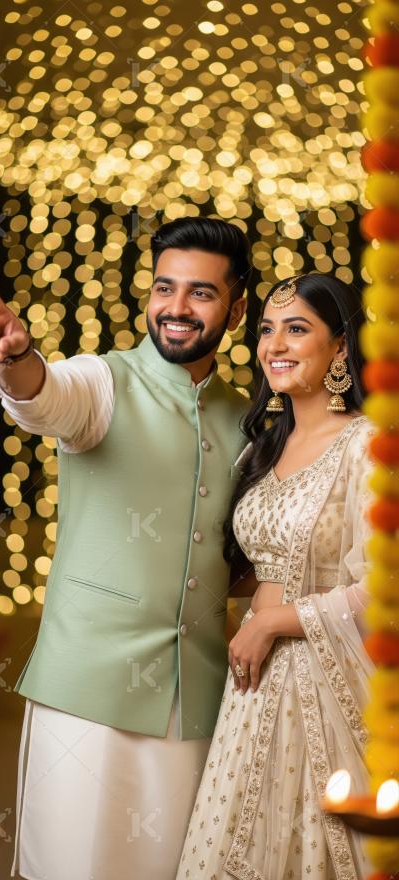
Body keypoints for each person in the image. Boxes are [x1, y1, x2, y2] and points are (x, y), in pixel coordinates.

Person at [0, 217, 252, 880]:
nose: (176, 308)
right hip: (89, 695)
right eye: (164, 288)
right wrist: (14, 361)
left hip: (201, 699)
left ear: (237, 308)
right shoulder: (101, 380)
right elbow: (45, 400)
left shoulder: (248, 414)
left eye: (201, 294)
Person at [177, 273, 375, 880]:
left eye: (297, 329)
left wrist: (276, 622)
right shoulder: (262, 446)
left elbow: (387, 588)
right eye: (266, 329)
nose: (274, 345)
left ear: (340, 347)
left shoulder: (369, 445)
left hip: (325, 683)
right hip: (250, 691)